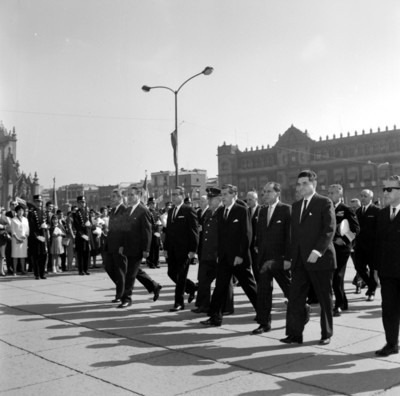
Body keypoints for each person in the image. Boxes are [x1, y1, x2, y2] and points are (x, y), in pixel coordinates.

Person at [281, 169, 336, 345]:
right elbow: (294, 235)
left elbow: (329, 229)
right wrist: (290, 257)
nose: (301, 187)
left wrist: (317, 251)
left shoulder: (324, 202)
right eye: (299, 184)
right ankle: (294, 334)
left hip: (320, 259)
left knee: (323, 297)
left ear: (314, 184)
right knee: (295, 298)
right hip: (299, 261)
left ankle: (326, 333)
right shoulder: (296, 206)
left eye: (305, 183)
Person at [201, 184, 257, 327]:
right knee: (220, 287)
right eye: (222, 194)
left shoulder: (242, 210)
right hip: (225, 258)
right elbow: (221, 237)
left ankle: (263, 314)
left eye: (226, 194)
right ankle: (215, 318)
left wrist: (240, 255)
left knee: (249, 287)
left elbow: (247, 235)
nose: (223, 197)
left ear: (234, 195)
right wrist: (219, 254)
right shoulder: (221, 212)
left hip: (239, 258)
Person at [252, 182, 293, 334]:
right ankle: (264, 323)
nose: (265, 194)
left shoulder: (286, 209)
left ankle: (303, 309)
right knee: (263, 292)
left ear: (277, 193)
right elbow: (260, 232)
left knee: (289, 289)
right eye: (264, 192)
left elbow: (290, 236)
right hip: (264, 259)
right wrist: (257, 245)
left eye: (269, 191)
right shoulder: (262, 211)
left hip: (280, 259)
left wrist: (289, 258)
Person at [119, 187, 162, 308]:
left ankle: (126, 298)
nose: (130, 197)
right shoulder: (128, 210)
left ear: (138, 196)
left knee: (130, 274)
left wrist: (146, 249)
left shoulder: (143, 211)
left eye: (132, 195)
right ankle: (154, 286)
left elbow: (147, 232)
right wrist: (122, 244)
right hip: (128, 247)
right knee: (135, 271)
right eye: (128, 195)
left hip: (138, 248)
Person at [192, 187, 234, 315]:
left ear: (219, 199)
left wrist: (220, 253)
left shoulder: (223, 212)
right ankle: (204, 305)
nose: (209, 201)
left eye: (211, 198)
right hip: (207, 254)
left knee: (225, 283)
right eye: (208, 198)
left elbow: (225, 236)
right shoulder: (209, 213)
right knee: (203, 281)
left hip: (218, 254)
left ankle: (227, 307)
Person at [374, 175, 400, 357]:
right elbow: (377, 243)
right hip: (388, 272)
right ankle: (391, 343)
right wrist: (375, 269)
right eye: (384, 188)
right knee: (388, 309)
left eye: (389, 189)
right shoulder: (382, 214)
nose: (385, 192)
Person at [164, 187, 199, 312]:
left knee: (181, 276)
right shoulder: (171, 211)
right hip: (172, 249)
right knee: (171, 273)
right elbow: (168, 231)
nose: (173, 197)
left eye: (175, 195)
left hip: (185, 250)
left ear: (182, 195)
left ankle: (179, 303)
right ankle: (192, 288)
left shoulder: (188, 210)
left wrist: (193, 250)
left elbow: (194, 231)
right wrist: (166, 248)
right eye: (171, 195)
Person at [328, 184, 360, 316]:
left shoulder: (346, 209)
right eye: (328, 193)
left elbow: (356, 229)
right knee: (334, 276)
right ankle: (344, 302)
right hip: (330, 247)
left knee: (337, 276)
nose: (329, 195)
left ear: (339, 195)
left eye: (332, 193)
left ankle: (339, 305)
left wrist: (345, 240)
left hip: (342, 249)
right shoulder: (326, 208)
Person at [103, 188, 129, 302]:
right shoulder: (113, 210)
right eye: (111, 197)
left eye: (114, 197)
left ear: (120, 198)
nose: (111, 199)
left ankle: (121, 295)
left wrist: (123, 245)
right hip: (111, 244)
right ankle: (121, 288)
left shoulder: (124, 210)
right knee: (109, 267)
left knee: (120, 270)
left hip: (120, 246)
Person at [354, 189, 380, 301]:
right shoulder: (358, 211)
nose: (362, 197)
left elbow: (380, 229)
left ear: (371, 198)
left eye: (365, 196)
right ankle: (371, 284)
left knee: (373, 269)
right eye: (361, 195)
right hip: (359, 246)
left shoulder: (377, 211)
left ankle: (372, 291)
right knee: (359, 267)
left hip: (373, 247)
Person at [28, 195, 49, 280]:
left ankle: (42, 273)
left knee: (43, 256)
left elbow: (48, 223)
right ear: (34, 202)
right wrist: (37, 236)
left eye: (40, 201)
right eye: (37, 201)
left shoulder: (44, 212)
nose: (39, 203)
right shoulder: (31, 212)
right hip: (36, 238)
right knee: (36, 256)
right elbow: (31, 226)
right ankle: (36, 274)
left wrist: (46, 226)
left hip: (43, 236)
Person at [72, 196, 93, 276]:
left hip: (87, 235)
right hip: (80, 236)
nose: (82, 204)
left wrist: (90, 225)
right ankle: (81, 270)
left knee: (86, 253)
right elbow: (77, 226)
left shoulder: (87, 212)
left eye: (83, 202)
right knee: (80, 254)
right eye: (81, 202)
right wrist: (82, 235)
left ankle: (86, 269)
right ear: (78, 203)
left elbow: (90, 223)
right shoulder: (76, 213)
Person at [10, 204, 30, 275]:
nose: (20, 212)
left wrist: (25, 236)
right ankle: (14, 270)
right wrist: (17, 238)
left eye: (22, 210)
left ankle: (23, 270)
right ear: (16, 211)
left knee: (23, 256)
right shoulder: (13, 220)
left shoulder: (26, 219)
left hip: (24, 239)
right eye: (19, 210)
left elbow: (27, 230)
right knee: (15, 256)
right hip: (15, 240)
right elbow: (13, 231)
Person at [247, 190, 261, 283]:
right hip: (248, 245)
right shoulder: (246, 211)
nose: (248, 202)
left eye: (250, 200)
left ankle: (260, 285)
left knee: (257, 267)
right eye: (247, 200)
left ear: (256, 199)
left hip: (257, 245)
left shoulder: (262, 210)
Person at [147, 197, 161, 268]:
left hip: (157, 232)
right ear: (149, 204)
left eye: (154, 203)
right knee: (152, 248)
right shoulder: (148, 212)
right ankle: (151, 262)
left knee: (157, 246)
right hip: (151, 232)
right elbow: (148, 224)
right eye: (151, 203)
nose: (153, 205)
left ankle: (156, 261)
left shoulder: (156, 212)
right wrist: (156, 224)